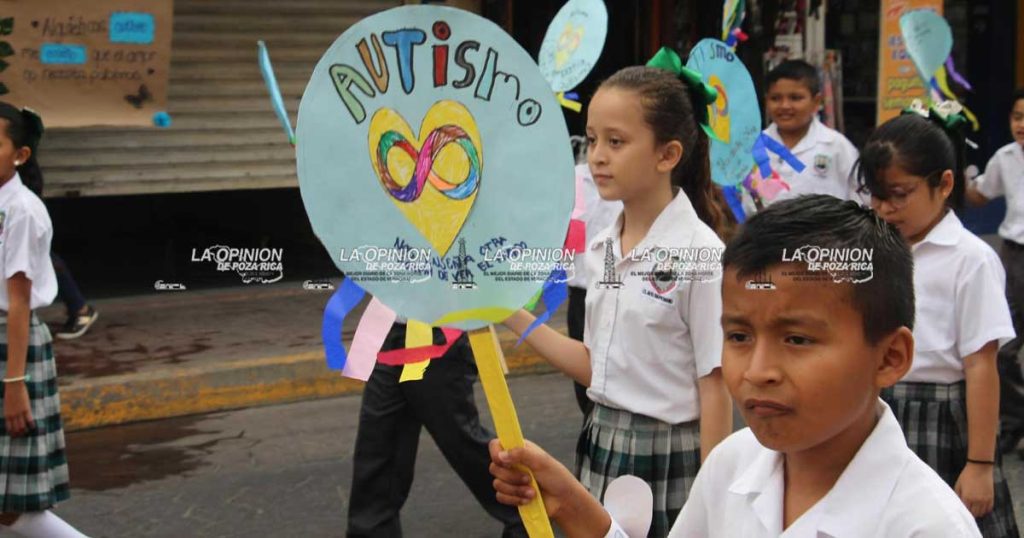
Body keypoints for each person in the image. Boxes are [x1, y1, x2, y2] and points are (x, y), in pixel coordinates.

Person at [489, 195, 981, 537]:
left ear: (890, 357)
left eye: (798, 338)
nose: (757, 370)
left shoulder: (925, 526)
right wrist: (572, 506)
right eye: (739, 336)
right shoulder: (731, 464)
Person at [503, 52, 734, 537]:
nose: (597, 156)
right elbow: (597, 365)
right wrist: (505, 312)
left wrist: (713, 504)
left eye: (616, 141)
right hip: (602, 440)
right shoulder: (604, 247)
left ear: (667, 155)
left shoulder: (701, 254)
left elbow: (715, 389)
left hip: (669, 454)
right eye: (591, 140)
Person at [860, 103, 1019, 536]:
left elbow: (981, 365)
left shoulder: (971, 260)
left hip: (941, 417)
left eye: (899, 193)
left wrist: (980, 464)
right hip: (873, 409)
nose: (886, 208)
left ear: (944, 183)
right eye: (876, 195)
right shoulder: (868, 251)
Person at [346, 322, 526, 538]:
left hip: (438, 331)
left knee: (461, 441)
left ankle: (529, 515)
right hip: (392, 326)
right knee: (377, 446)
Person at [0, 103, 86, 537]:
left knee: (11, 508)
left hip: (12, 350)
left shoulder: (23, 211)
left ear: (20, 155)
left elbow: (17, 303)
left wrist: (14, 386)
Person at [966, 88, 1024, 454]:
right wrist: (961, 171)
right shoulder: (1005, 157)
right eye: (1018, 117)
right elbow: (981, 195)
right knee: (1003, 348)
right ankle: (1016, 422)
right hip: (1014, 257)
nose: (1022, 124)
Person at [10, 128, 97, 342]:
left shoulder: (24, 205)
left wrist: (14, 376)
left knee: (39, 256)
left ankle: (80, 308)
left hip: (23, 196)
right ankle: (79, 308)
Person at [757, 60, 861, 206]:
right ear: (766, 100)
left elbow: (860, 198)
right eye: (776, 98)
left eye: (795, 98)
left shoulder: (836, 146)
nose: (785, 106)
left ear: (816, 101)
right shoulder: (755, 147)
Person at [566, 162, 621, 417]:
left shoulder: (629, 177)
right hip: (582, 292)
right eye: (592, 139)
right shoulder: (573, 178)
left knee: (617, 370)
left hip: (620, 292)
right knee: (584, 373)